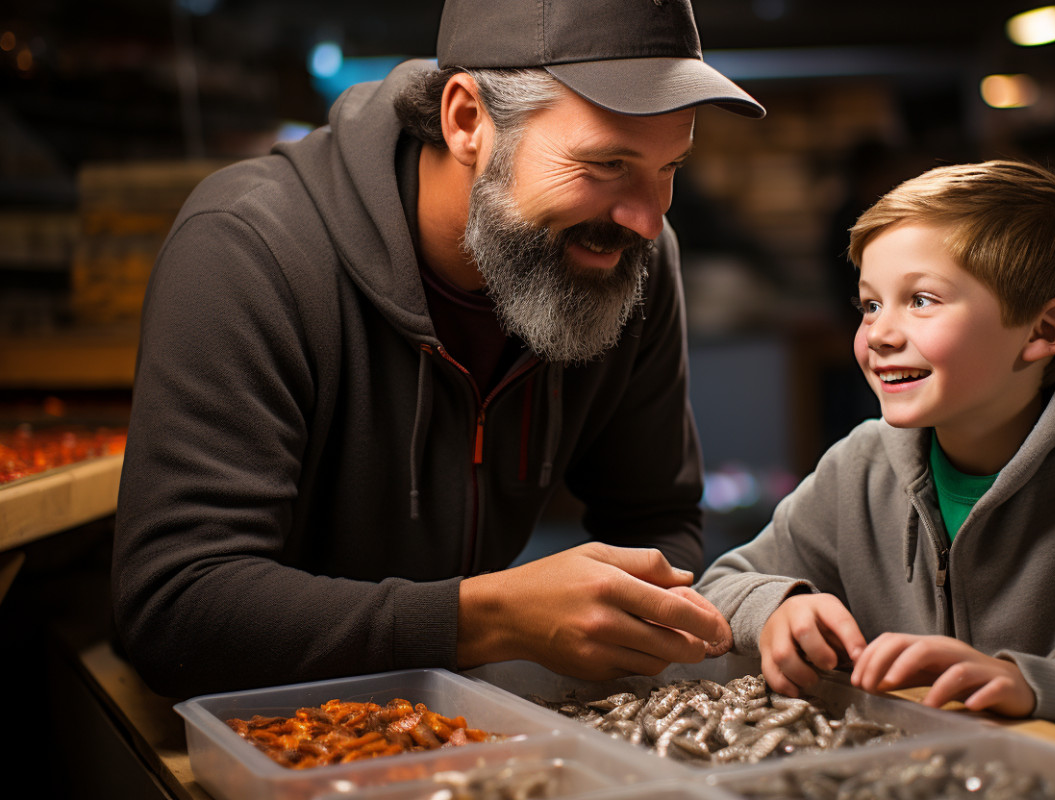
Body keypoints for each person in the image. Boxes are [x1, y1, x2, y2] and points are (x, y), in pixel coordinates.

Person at [112, 0, 765, 699]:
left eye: (670, 167)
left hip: (469, 729)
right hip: (257, 732)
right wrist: (485, 619)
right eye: (608, 164)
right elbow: (173, 609)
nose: (647, 216)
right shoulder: (249, 251)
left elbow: (655, 520)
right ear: (466, 121)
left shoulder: (629, 257)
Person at [696, 161, 1055, 780]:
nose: (880, 334)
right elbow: (722, 587)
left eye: (920, 300)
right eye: (869, 305)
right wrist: (775, 606)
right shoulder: (859, 466)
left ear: (1042, 331)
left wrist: (1036, 687)